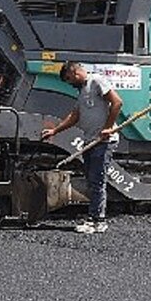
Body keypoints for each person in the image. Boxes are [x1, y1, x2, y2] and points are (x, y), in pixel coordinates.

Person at [41, 62, 123, 234]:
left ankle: (98, 221)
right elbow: (75, 115)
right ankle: (94, 217)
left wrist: (108, 128)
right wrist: (55, 130)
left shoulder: (97, 81)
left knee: (97, 180)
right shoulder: (82, 91)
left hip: (104, 142)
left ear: (76, 72)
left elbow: (117, 103)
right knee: (92, 180)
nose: (71, 84)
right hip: (90, 141)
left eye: (70, 79)